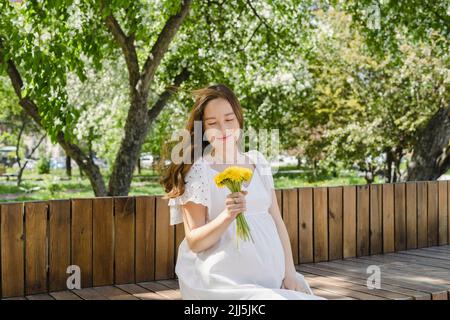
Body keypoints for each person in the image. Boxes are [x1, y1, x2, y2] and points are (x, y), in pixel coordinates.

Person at [161, 84, 326, 300]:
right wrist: (227, 215)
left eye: (229, 119)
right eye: (212, 123)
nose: (223, 129)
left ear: (239, 119)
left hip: (272, 279)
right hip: (225, 284)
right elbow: (195, 241)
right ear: (203, 128)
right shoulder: (197, 170)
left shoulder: (258, 162)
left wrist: (290, 273)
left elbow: (276, 222)